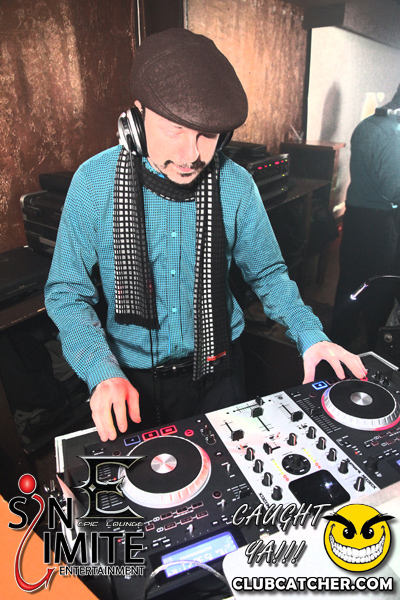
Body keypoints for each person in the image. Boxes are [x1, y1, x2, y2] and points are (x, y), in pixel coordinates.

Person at [45, 28, 366, 443]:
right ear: (137, 119)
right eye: (173, 130)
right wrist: (100, 369)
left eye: (207, 135)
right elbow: (66, 292)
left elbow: (268, 274)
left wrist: (310, 334)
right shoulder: (93, 183)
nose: (190, 155)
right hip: (129, 379)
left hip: (221, 371)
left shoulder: (236, 185)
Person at [330, 84, 400, 351]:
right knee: (379, 288)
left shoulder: (366, 125)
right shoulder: (393, 134)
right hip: (379, 224)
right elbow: (394, 190)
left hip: (356, 218)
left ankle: (339, 340)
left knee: (350, 282)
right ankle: (374, 348)